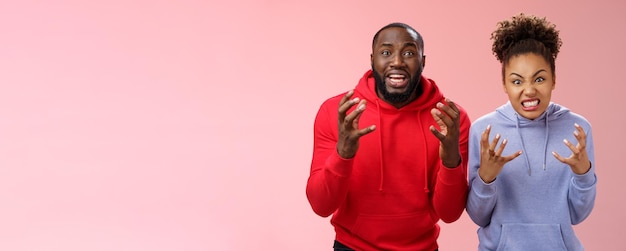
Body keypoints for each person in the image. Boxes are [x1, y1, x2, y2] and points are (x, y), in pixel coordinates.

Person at [306, 22, 470, 251]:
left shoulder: (450, 118)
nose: (397, 62)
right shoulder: (338, 111)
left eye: (409, 53)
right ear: (372, 60)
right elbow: (320, 205)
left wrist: (451, 161)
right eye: (386, 52)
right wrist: (343, 153)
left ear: (423, 61)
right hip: (352, 247)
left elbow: (450, 214)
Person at [466, 13, 597, 251]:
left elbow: (578, 215)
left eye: (539, 79)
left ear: (554, 79)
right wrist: (486, 178)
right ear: (504, 83)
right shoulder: (484, 131)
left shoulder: (577, 129)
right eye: (517, 81)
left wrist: (583, 174)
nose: (529, 90)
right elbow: (478, 216)